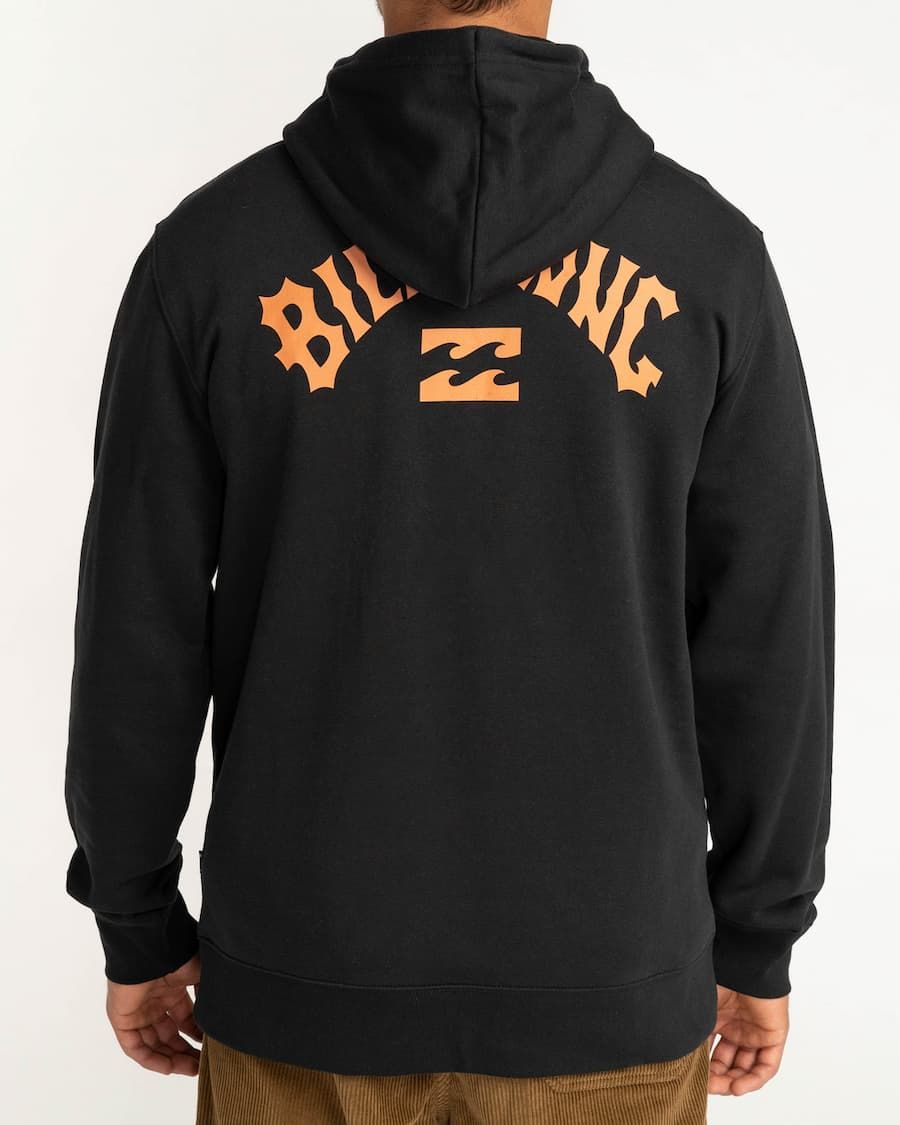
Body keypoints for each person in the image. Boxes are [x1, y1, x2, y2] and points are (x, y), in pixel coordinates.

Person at [63, 0, 835, 1121]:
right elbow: (772, 632)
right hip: (607, 982)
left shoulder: (213, 250)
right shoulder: (706, 256)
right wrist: (759, 931)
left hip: (304, 981)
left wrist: (136, 920)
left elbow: (137, 627)